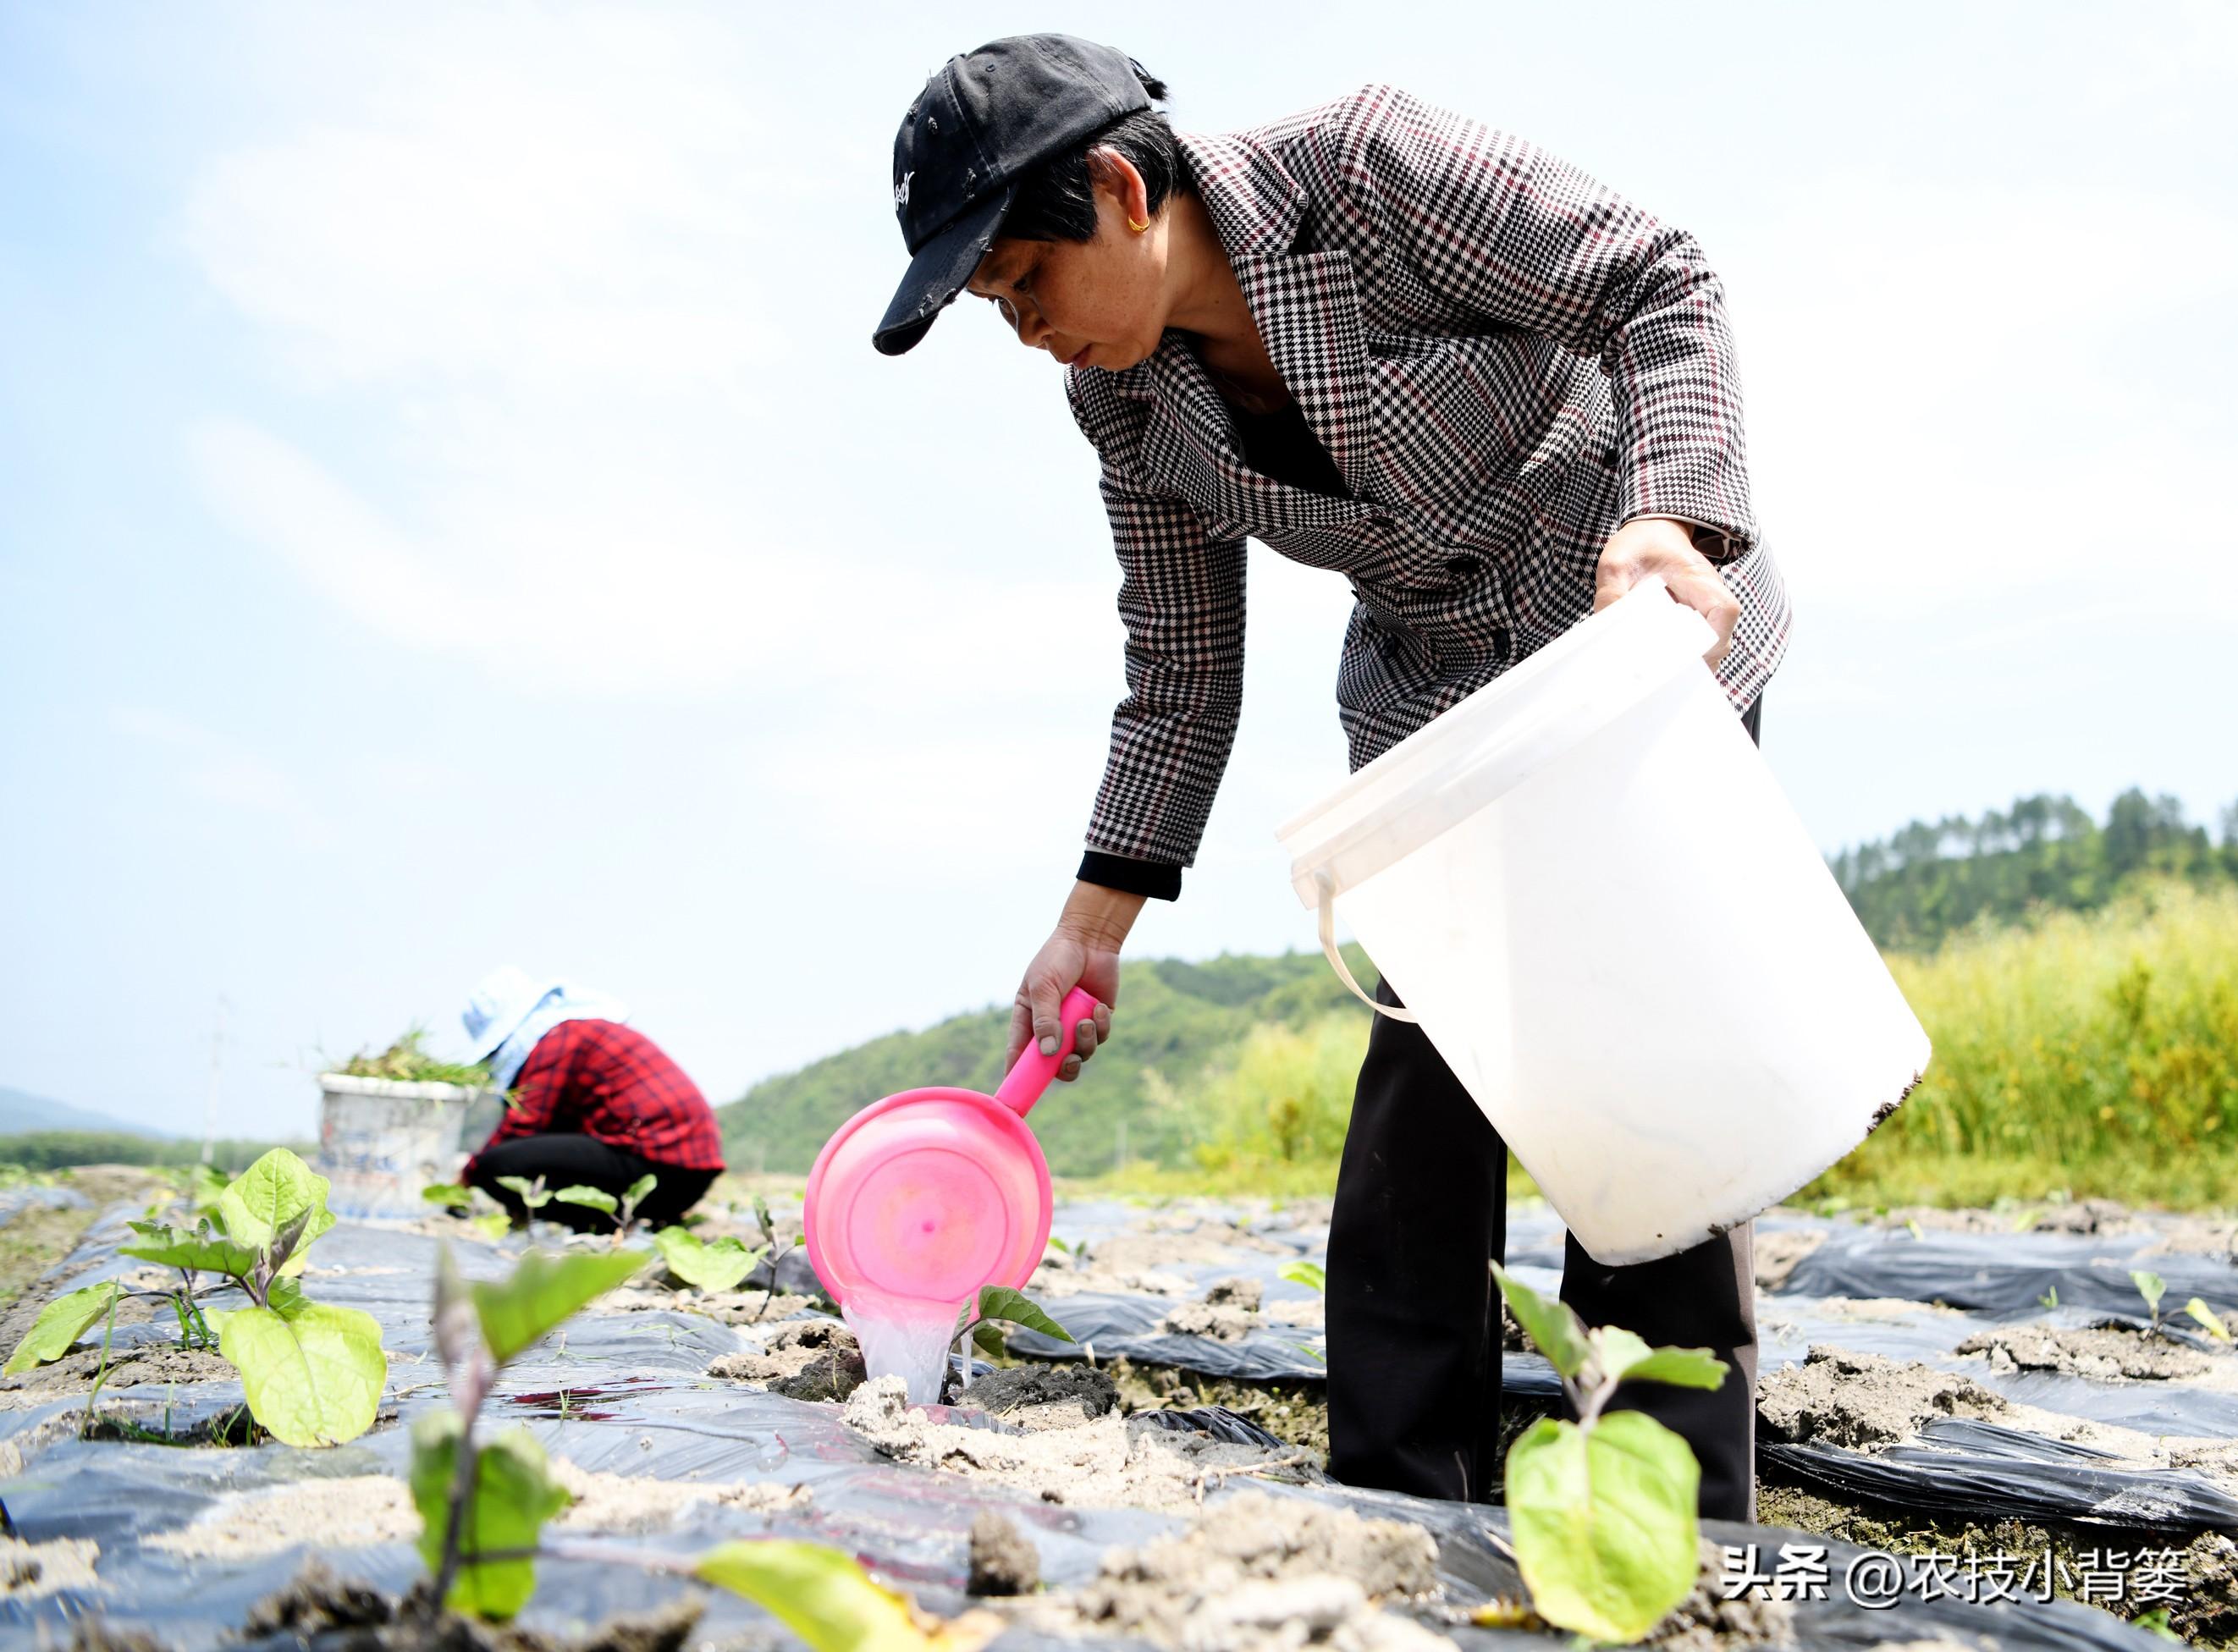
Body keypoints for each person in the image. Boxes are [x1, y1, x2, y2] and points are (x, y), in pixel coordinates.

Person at [872, 36, 1789, 1522]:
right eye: (996, 311)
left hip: (1628, 643)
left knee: (1633, 1061)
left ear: (1115, 187)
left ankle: (1669, 1517)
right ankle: (1398, 1497)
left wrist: (1671, 513)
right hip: (1434, 707)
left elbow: (1653, 274)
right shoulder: (1125, 405)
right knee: (1424, 1078)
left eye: (1025, 283)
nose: (1028, 332)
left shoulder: (1360, 177)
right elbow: (1177, 665)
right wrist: (1088, 928)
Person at [457, 966, 725, 1231]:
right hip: (686, 1170)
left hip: (660, 1167)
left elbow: (522, 1127)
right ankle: (602, 1226)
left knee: (493, 1166)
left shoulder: (556, 1039)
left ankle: (598, 1225)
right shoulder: (579, 1030)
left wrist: (466, 1176)